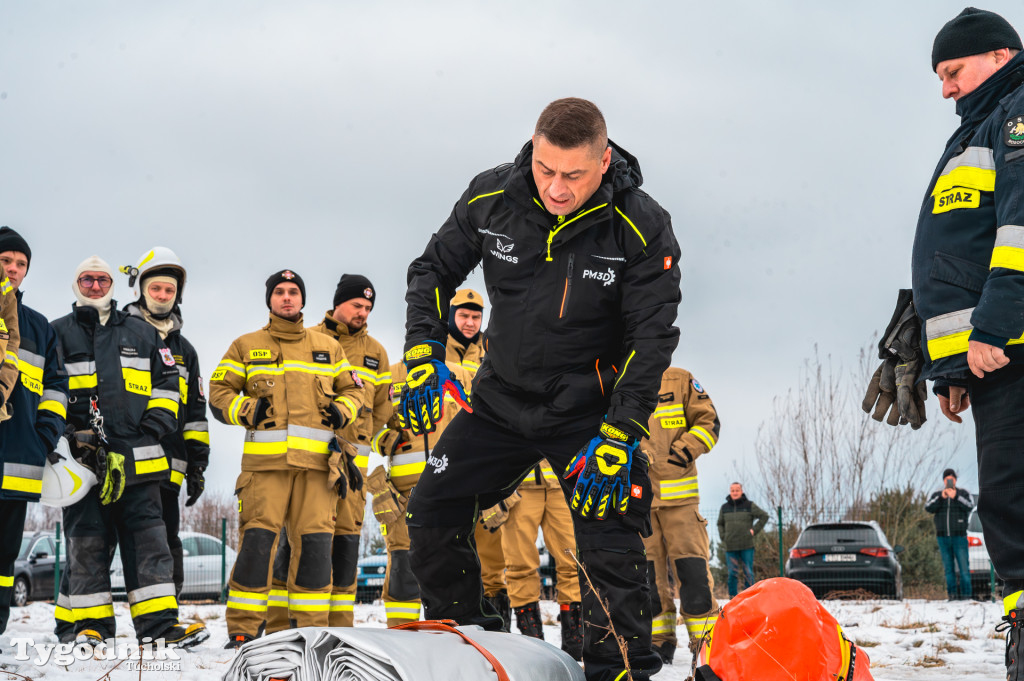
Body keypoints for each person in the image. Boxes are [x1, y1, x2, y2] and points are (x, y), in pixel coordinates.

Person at [399, 98, 681, 681]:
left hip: (588, 413)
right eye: (545, 169)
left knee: (609, 533)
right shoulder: (491, 196)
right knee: (430, 510)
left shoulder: (641, 224)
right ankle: (471, 649)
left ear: (603, 162)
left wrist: (621, 431)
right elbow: (431, 270)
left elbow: (651, 337)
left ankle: (617, 670)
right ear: (532, 149)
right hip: (500, 401)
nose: (556, 188)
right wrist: (423, 349)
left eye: (573, 175)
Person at [858, 8, 1024, 676]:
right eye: (939, 77)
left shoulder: (1016, 116)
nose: (946, 88)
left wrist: (994, 327)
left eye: (953, 71)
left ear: (1000, 55)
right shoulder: (981, 125)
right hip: (992, 360)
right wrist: (949, 364)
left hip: (1011, 348)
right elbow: (962, 253)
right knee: (1008, 504)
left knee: (1016, 501)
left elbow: (1019, 229)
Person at [52, 256, 206, 648]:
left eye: (102, 279)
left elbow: (169, 388)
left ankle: (160, 627)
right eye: (87, 279)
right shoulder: (58, 333)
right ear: (76, 284)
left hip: (141, 462)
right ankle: (90, 627)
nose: (95, 286)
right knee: (87, 543)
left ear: (114, 285)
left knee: (150, 544)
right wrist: (70, 438)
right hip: (83, 465)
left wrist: (148, 433)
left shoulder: (141, 332)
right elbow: (48, 393)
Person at [209, 269, 366, 649]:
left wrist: (343, 410)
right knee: (257, 545)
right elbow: (218, 391)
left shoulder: (328, 348)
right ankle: (243, 629)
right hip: (265, 471)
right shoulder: (246, 345)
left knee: (315, 550)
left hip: (317, 472)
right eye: (279, 291)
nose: (286, 297)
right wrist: (246, 409)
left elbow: (354, 391)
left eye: (293, 291)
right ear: (270, 299)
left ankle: (311, 630)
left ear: (302, 299)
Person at [265, 274, 390, 631]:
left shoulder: (377, 353)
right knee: (297, 544)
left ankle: (340, 629)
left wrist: (360, 437)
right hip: (310, 466)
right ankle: (279, 626)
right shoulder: (309, 339)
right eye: (356, 305)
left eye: (368, 308)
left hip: (353, 472)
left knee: (345, 548)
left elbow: (382, 409)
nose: (363, 313)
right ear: (338, 304)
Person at [370, 288, 491, 628]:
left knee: (455, 565)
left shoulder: (464, 375)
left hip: (453, 487)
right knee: (403, 568)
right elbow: (370, 425)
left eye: (475, 316)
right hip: (404, 492)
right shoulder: (392, 375)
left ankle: (453, 635)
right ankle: (402, 635)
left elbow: (484, 427)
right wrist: (387, 441)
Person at [121, 247, 210, 597]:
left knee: (165, 542)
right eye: (155, 288)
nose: (161, 295)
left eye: (169, 290)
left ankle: (166, 612)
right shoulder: (117, 335)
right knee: (107, 542)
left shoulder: (185, 351)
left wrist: (198, 465)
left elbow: (195, 414)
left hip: (167, 470)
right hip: (121, 464)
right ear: (140, 290)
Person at [0, 227, 67, 636]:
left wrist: (43, 438)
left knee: (4, 558)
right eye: (6, 260)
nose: (13, 268)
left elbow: (56, 388)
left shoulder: (39, 327)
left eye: (21, 263)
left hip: (19, 463)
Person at [642, 367, 720, 665]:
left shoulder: (679, 379)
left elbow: (709, 422)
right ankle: (659, 641)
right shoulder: (616, 378)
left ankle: (706, 643)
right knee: (648, 579)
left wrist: (682, 453)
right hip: (640, 501)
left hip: (681, 501)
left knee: (693, 573)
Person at [499, 457, 583, 660]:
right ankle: (533, 643)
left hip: (561, 483)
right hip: (517, 487)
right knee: (519, 566)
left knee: (573, 563)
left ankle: (575, 647)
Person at [925, 468, 975, 600]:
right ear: (943, 481)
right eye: (947, 479)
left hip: (959, 537)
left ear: (955, 480)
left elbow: (970, 506)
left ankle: (966, 596)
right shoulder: (937, 495)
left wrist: (956, 497)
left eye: (951, 479)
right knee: (948, 569)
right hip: (943, 538)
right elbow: (928, 507)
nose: (949, 482)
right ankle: (952, 595)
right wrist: (941, 497)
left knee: (964, 568)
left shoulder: (963, 493)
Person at [717, 482, 767, 598]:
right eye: (732, 490)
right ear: (730, 492)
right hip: (731, 546)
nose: (735, 492)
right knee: (732, 573)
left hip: (747, 546)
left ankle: (749, 597)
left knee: (748, 572)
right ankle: (732, 598)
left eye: (737, 490)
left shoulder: (749, 505)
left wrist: (754, 530)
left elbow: (764, 516)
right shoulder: (724, 508)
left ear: (741, 491)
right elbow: (720, 523)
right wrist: (723, 536)